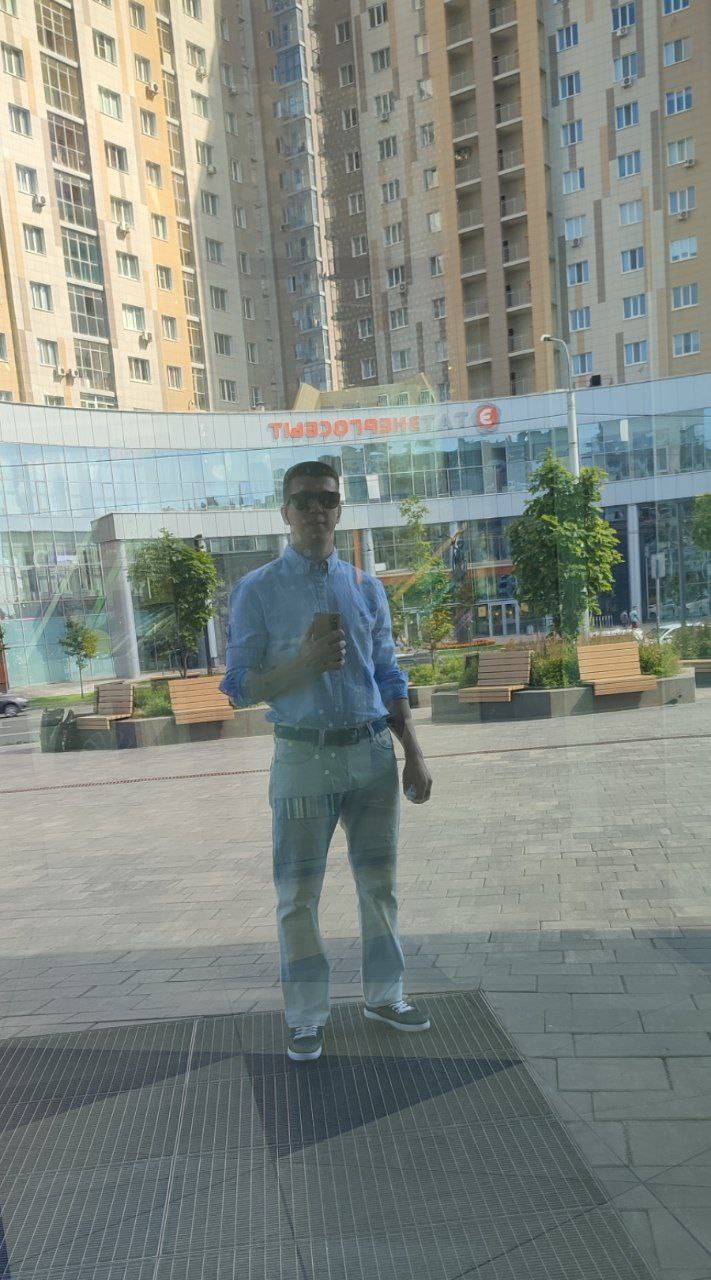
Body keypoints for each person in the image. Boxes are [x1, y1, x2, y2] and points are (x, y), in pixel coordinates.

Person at [221, 461, 433, 1063]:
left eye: (327, 499)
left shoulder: (366, 588)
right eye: (304, 500)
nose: (316, 509)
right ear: (284, 511)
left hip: (371, 756)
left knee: (380, 887)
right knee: (297, 894)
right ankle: (307, 1015)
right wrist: (302, 665)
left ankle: (385, 996)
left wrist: (413, 753)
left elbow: (389, 674)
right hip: (302, 756)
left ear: (340, 511)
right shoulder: (258, 590)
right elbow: (237, 686)